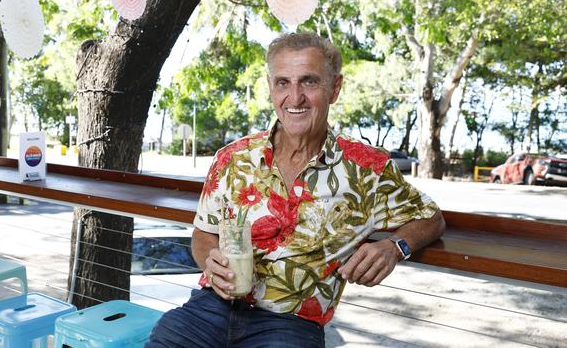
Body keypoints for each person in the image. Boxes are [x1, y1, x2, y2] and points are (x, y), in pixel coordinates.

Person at [146, 32, 445, 348]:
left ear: (335, 88)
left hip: (288, 325)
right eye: (283, 83)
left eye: (309, 82)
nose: (295, 97)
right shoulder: (232, 158)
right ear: (271, 88)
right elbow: (204, 235)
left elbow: (431, 218)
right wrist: (210, 261)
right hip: (209, 309)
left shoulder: (367, 169)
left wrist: (395, 247)